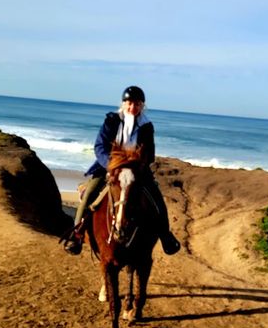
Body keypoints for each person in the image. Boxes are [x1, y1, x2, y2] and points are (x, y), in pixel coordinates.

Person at [62, 85, 181, 256]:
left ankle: (165, 236)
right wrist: (112, 164)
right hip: (109, 167)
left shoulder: (147, 126)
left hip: (136, 170)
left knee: (156, 199)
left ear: (142, 106)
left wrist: (137, 165)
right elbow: (99, 147)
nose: (133, 107)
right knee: (90, 194)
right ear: (124, 104)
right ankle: (77, 235)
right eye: (130, 103)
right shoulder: (112, 120)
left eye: (138, 104)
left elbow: (150, 153)